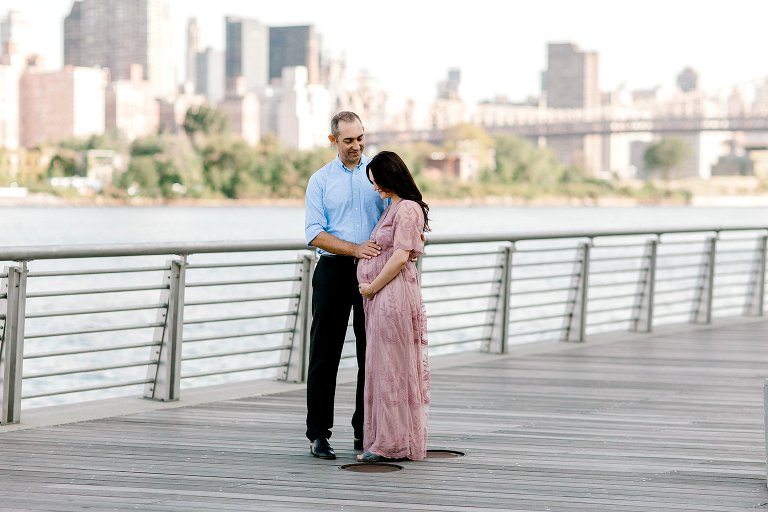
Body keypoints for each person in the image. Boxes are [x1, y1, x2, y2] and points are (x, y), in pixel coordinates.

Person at [304, 111, 387, 460]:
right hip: (334, 272)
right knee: (325, 355)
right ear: (333, 140)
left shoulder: (378, 177)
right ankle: (319, 435)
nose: (356, 146)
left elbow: (396, 216)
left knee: (371, 355)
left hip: (372, 274)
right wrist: (353, 248)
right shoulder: (320, 181)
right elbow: (314, 233)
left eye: (360, 138)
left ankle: (364, 432)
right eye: (348, 140)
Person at [355, 151, 431, 462]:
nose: (375, 187)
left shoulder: (408, 209)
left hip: (392, 296)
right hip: (382, 298)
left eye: (377, 181)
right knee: (383, 367)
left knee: (390, 368)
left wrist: (372, 286)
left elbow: (400, 257)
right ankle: (387, 440)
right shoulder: (394, 207)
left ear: (391, 176)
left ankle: (389, 444)